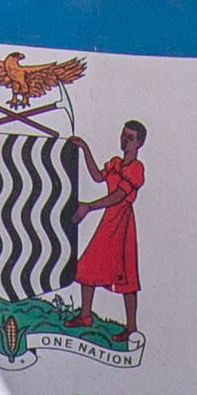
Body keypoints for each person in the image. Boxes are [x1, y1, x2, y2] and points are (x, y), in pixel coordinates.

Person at [74, 119, 146, 342]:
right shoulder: (116, 163)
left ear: (139, 143)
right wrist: (84, 148)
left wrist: (89, 206)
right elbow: (97, 176)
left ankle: (131, 327)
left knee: (126, 275)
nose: (125, 141)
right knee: (87, 263)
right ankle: (85, 315)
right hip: (108, 220)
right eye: (124, 135)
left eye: (130, 138)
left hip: (122, 223)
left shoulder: (136, 169)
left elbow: (118, 196)